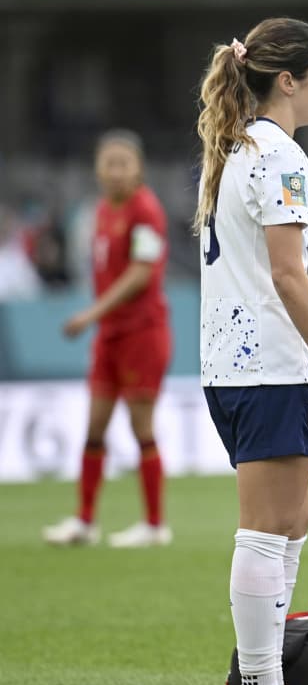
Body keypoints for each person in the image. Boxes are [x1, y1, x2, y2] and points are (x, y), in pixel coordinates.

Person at [196, 18, 308, 685]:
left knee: (289, 523)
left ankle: (267, 684)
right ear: (288, 80)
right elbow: (288, 277)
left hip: (230, 363)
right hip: (267, 364)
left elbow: (251, 239)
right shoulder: (282, 154)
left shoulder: (237, 148)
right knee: (269, 529)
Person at [44, 130, 173, 548]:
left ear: (138, 169)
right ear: (98, 168)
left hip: (141, 332)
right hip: (110, 336)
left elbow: (140, 274)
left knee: (141, 428)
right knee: (95, 426)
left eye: (124, 163)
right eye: (109, 163)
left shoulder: (146, 210)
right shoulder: (101, 210)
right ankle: (85, 521)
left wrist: (90, 314)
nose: (115, 171)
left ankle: (155, 525)